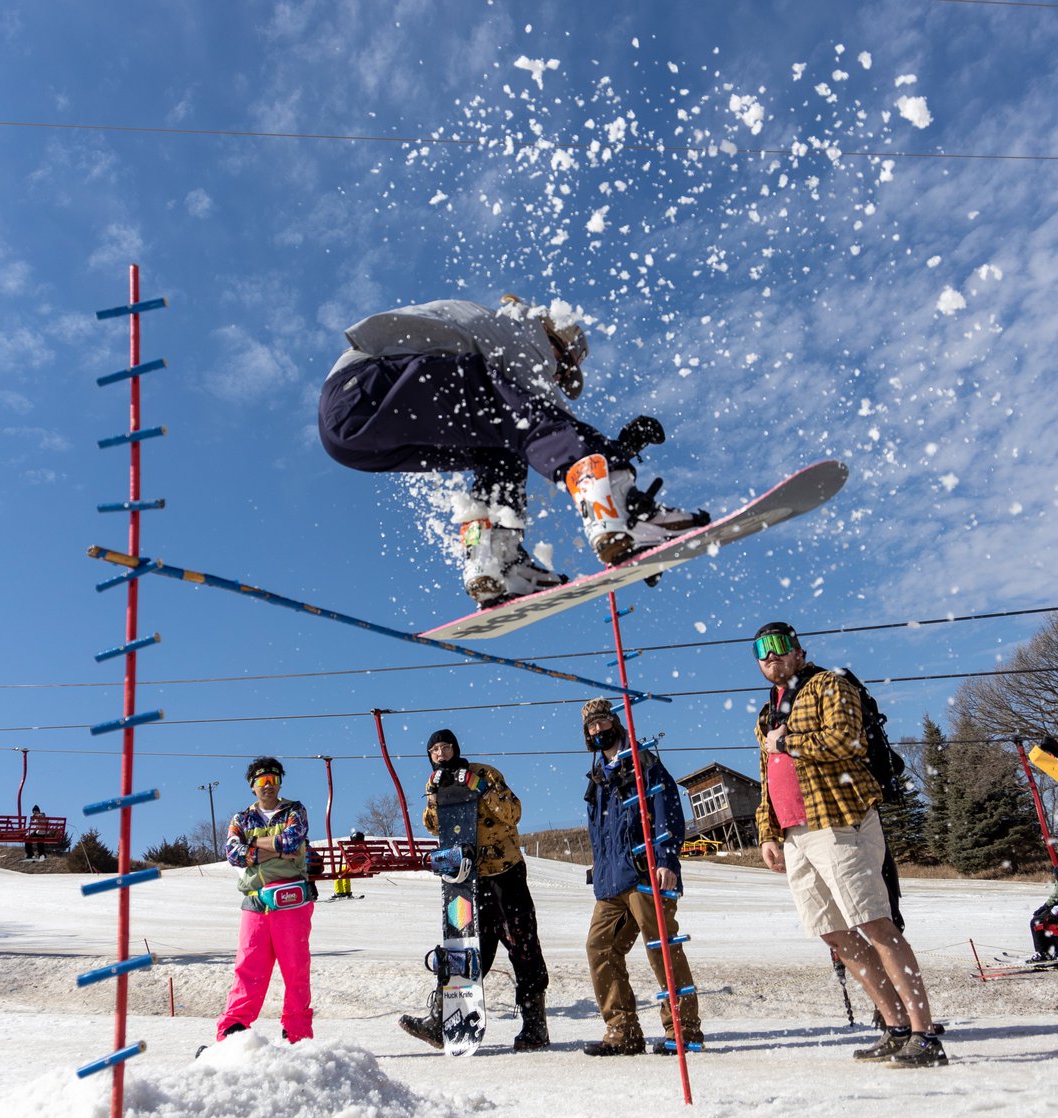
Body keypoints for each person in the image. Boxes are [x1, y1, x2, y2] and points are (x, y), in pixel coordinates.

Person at [318, 295, 708, 608]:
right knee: (522, 420)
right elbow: (543, 419)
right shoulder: (522, 334)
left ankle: (491, 561)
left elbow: (537, 429)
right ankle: (623, 514)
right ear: (554, 340)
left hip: (350, 434)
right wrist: (615, 456)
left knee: (501, 451)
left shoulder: (497, 331)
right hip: (372, 383)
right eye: (561, 368)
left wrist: (611, 449)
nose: (556, 377)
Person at [752, 621, 947, 1068]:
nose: (770, 657)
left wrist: (790, 742)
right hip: (795, 833)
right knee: (834, 932)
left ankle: (924, 1034)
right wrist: (767, 831)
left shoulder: (828, 684)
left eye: (779, 646)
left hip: (840, 820)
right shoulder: (766, 714)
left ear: (799, 652)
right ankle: (895, 1027)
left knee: (875, 923)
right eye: (760, 651)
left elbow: (847, 739)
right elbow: (767, 779)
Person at [399, 728, 550, 1051]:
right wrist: (433, 800)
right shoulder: (433, 781)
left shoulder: (484, 773)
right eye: (434, 750)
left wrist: (479, 788)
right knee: (463, 950)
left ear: (456, 748)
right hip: (466, 882)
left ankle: (535, 1026)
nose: (440, 753)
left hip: (505, 874)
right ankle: (444, 1021)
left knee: (522, 948)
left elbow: (513, 813)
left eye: (445, 746)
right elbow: (434, 825)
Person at [579, 698, 704, 1056]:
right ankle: (623, 1031)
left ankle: (684, 1030)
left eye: (603, 722)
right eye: (591, 726)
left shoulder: (642, 761)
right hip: (611, 882)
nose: (598, 730)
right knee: (599, 948)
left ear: (615, 723)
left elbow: (667, 809)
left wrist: (666, 858)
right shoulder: (597, 777)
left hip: (647, 873)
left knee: (661, 950)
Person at [210, 757, 314, 1046]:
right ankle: (233, 1031)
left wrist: (254, 845)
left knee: (295, 969)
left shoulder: (294, 810)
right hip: (255, 901)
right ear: (252, 786)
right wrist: (274, 849)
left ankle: (297, 1035)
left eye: (273, 780)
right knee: (248, 968)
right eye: (261, 781)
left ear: (280, 782)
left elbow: (292, 842)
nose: (267, 786)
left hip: (290, 900)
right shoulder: (241, 819)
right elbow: (233, 853)